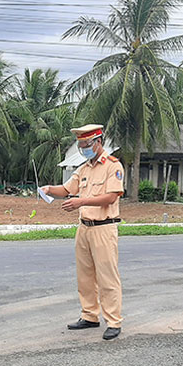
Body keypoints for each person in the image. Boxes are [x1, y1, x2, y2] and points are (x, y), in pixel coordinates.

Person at [41, 124, 125, 340]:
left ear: (98, 142)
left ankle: (114, 321)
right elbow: (67, 190)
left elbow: (111, 197)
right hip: (84, 228)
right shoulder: (84, 168)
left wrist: (81, 201)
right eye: (80, 145)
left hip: (104, 227)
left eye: (86, 145)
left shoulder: (112, 166)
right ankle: (89, 315)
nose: (83, 149)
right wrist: (50, 189)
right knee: (85, 276)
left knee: (107, 277)